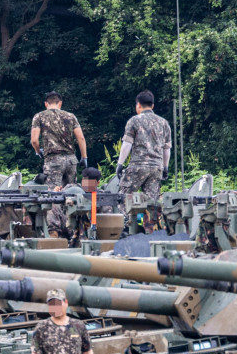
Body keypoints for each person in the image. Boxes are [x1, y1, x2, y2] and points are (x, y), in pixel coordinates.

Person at [115, 90, 172, 229]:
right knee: (151, 203)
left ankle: (125, 228)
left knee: (123, 197)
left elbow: (127, 144)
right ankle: (151, 230)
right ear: (152, 106)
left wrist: (120, 164)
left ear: (138, 105)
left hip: (138, 166)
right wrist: (165, 167)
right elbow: (167, 149)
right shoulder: (164, 123)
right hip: (156, 168)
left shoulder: (134, 120)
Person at [31, 91, 88, 188]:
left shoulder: (39, 116)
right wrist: (84, 157)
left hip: (53, 160)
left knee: (53, 194)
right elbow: (81, 138)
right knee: (71, 193)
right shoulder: (71, 116)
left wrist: (38, 151)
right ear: (60, 103)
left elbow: (34, 140)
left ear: (46, 103)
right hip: (71, 160)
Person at [46, 166, 108, 243]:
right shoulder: (72, 188)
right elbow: (60, 198)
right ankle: (53, 240)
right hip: (69, 224)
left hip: (92, 228)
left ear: (97, 183)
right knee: (53, 208)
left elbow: (106, 216)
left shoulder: (101, 196)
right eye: (85, 181)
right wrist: (56, 193)